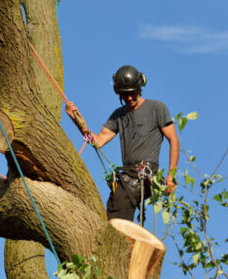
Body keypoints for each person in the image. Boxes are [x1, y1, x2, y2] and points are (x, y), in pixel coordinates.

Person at [65, 65, 179, 225]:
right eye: (125, 95)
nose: (129, 98)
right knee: (113, 207)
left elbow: (173, 140)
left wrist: (171, 176)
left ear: (140, 88)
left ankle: (118, 239)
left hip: (145, 173)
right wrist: (76, 120)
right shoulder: (119, 115)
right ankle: (117, 242)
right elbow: (98, 141)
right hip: (127, 175)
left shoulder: (157, 108)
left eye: (133, 94)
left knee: (120, 208)